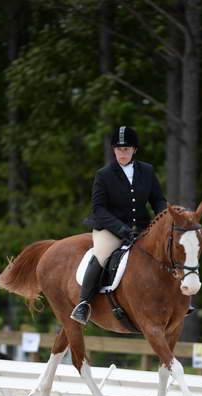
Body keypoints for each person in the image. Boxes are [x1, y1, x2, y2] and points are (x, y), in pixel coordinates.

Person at [70, 125, 167, 325]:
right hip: (110, 228)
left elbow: (157, 200)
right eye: (119, 149)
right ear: (114, 150)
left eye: (126, 149)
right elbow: (98, 209)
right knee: (102, 255)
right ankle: (84, 303)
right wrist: (121, 229)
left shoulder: (147, 171)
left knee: (167, 251)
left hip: (141, 227)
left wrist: (164, 220)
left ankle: (178, 300)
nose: (122, 153)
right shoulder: (104, 175)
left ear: (134, 150)